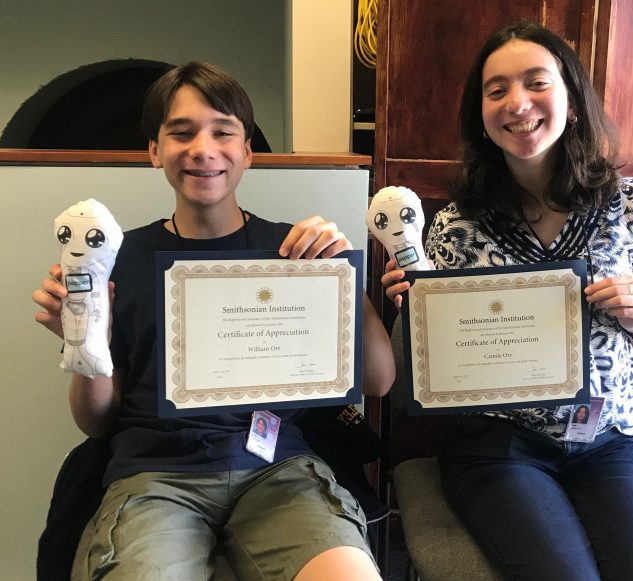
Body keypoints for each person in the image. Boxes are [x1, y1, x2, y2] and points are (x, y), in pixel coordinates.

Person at [33, 62, 395, 581]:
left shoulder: (295, 250)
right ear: (154, 151)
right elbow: (95, 421)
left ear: (247, 151)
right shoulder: (113, 259)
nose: (203, 148)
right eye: (181, 132)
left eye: (223, 131)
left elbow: (379, 381)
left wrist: (342, 279)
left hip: (280, 470)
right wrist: (84, 341)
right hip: (155, 477)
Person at [382, 21, 633, 580]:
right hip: (500, 446)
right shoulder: (456, 225)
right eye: (496, 90)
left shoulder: (631, 201)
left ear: (570, 99)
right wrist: (418, 316)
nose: (517, 102)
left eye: (536, 82)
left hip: (609, 437)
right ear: (482, 115)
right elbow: (437, 365)